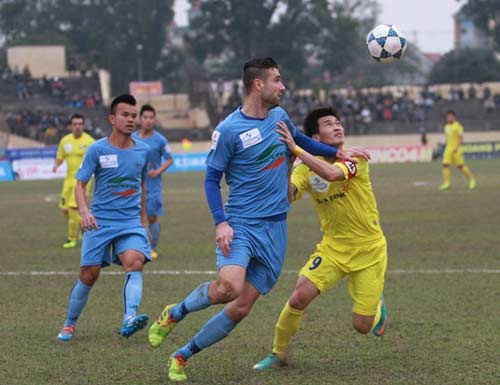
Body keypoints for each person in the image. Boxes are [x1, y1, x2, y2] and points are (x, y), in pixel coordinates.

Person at [147, 58, 369, 382]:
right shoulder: (227, 131)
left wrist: (338, 153)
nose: (283, 86)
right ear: (258, 84)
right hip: (241, 224)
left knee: (241, 307)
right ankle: (174, 313)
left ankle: (182, 355)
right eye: (277, 80)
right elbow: (211, 180)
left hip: (276, 229)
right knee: (228, 288)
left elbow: (302, 142)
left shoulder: (278, 117)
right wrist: (221, 223)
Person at [253, 107, 388, 370]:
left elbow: (332, 175)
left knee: (361, 326)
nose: (338, 126)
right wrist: (289, 164)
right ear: (315, 135)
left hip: (369, 250)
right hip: (333, 248)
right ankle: (278, 354)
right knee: (298, 297)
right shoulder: (304, 168)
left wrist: (297, 149)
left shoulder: (354, 158)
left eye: (338, 122)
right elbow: (289, 195)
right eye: (329, 124)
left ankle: (378, 306)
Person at [56, 94, 152, 342]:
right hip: (100, 222)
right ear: (112, 118)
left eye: (134, 116)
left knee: (135, 262)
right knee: (89, 274)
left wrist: (143, 221)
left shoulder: (143, 150)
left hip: (130, 222)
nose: (131, 120)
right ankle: (69, 324)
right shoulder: (97, 149)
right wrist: (85, 212)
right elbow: (80, 184)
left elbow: (141, 185)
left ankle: (129, 318)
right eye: (125, 115)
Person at [132, 104, 173, 259]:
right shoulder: (133, 138)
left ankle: (152, 247)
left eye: (151, 118)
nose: (148, 121)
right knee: (135, 217)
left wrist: (157, 171)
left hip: (153, 185)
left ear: (154, 120)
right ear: (140, 119)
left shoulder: (160, 140)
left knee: (151, 216)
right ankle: (136, 246)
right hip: (135, 185)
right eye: (145, 117)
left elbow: (169, 159)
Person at [53, 114, 94, 249]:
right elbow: (60, 156)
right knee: (64, 210)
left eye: (80, 124)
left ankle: (71, 239)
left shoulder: (90, 142)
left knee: (73, 209)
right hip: (68, 179)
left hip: (83, 180)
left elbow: (97, 160)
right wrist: (56, 165)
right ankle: (85, 226)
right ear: (70, 126)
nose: (77, 127)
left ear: (83, 125)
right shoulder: (65, 141)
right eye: (75, 124)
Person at [439, 110, 476, 191]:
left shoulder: (458, 126)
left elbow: (461, 138)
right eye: (447, 117)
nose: (448, 118)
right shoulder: (446, 127)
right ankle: (447, 183)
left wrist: (456, 147)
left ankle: (471, 180)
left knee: (460, 166)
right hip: (448, 149)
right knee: (445, 165)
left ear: (454, 117)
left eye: (450, 116)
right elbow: (448, 138)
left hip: (457, 149)